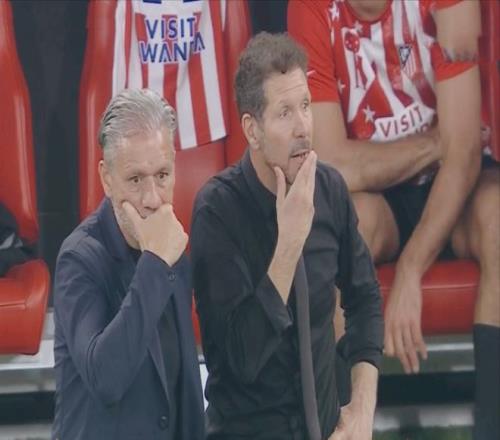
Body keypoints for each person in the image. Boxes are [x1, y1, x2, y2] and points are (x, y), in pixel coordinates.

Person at [288, 1, 500, 438]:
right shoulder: (311, 8)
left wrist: (411, 268)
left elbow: (463, 156)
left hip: (458, 188)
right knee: (326, 235)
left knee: (499, 221)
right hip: (379, 198)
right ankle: (339, 427)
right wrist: (435, 143)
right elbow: (333, 164)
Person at [191, 32, 383, 440]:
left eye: (306, 106)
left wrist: (362, 409)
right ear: (253, 130)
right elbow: (240, 359)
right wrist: (289, 244)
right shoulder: (217, 212)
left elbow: (365, 299)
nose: (303, 128)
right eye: (284, 113)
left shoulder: (329, 189)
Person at [52, 89, 204, 440]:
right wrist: (154, 264)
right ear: (106, 178)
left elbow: (182, 388)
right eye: (136, 180)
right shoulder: (79, 259)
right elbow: (105, 377)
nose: (152, 199)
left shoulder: (174, 254)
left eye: (162, 175)